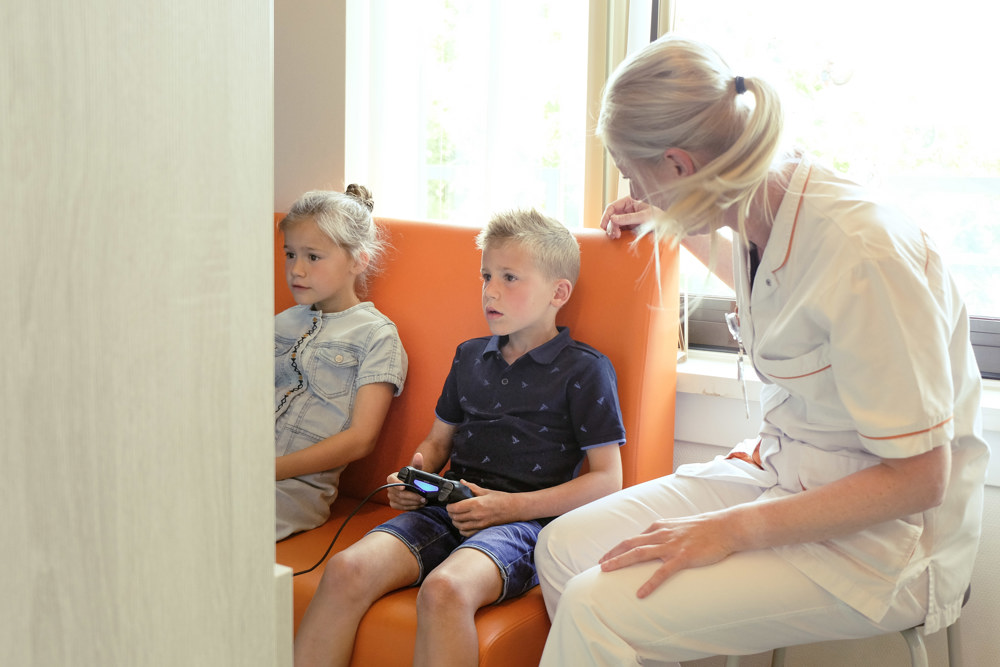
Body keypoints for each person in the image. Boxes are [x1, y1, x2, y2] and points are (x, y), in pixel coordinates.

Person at [535, 34, 990, 666]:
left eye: (635, 174)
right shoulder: (765, 215)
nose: (633, 191)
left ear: (678, 165)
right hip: (784, 476)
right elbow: (783, 296)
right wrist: (668, 224)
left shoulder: (865, 254)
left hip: (885, 541)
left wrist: (728, 531)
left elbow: (920, 478)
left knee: (595, 605)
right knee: (561, 549)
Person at [293, 209, 626, 667]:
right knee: (347, 568)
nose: (491, 290)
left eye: (510, 278)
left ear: (558, 292)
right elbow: (437, 444)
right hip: (446, 508)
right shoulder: (470, 357)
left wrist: (507, 507)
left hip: (524, 525)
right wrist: (415, 474)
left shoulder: (585, 370)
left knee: (446, 590)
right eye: (486, 275)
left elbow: (608, 482)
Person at [275, 186, 407, 541]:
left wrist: (266, 471)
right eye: (290, 254)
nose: (296, 270)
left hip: (291, 491)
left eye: (313, 257)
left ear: (358, 260)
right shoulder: (281, 323)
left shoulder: (377, 336)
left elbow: (360, 439)